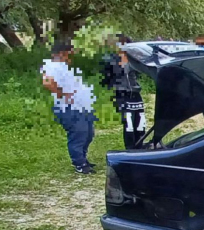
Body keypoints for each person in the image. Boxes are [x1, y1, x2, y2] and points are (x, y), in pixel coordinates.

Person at [41, 41, 97, 174]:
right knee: (78, 133)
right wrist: (61, 94)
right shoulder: (52, 66)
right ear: (62, 53)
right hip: (68, 107)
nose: (71, 56)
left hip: (80, 105)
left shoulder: (63, 67)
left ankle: (83, 157)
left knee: (88, 133)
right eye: (69, 53)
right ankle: (79, 163)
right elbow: (47, 82)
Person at [102, 34, 147, 149]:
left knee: (140, 122)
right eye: (120, 44)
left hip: (136, 94)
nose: (122, 46)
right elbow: (106, 78)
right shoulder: (111, 60)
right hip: (122, 95)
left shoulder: (133, 58)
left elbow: (142, 71)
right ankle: (130, 148)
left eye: (125, 43)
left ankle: (140, 145)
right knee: (129, 124)